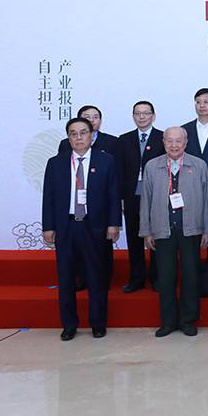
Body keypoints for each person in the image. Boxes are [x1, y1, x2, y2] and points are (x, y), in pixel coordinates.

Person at [42, 117, 120, 340]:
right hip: (66, 226)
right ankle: (69, 324)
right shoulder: (56, 163)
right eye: (73, 134)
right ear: (68, 138)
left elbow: (113, 194)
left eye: (83, 133)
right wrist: (48, 226)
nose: (78, 138)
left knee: (97, 276)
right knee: (66, 278)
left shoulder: (106, 161)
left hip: (94, 226)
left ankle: (98, 323)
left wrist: (113, 223)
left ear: (91, 135)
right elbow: (48, 197)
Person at [139, 126, 208, 337]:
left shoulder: (199, 165)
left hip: (191, 230)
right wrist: (147, 231)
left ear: (186, 142)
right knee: (165, 277)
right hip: (162, 229)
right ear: (163, 142)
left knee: (190, 276)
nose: (174, 145)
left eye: (178, 141)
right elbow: (145, 200)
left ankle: (188, 320)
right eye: (169, 141)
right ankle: (168, 322)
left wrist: (206, 229)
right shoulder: (152, 166)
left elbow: (207, 200)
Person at [58, 105, 118, 291]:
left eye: (95, 117)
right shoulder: (64, 147)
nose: (92, 120)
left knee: (100, 255)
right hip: (71, 215)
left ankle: (101, 283)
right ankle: (81, 280)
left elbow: (113, 188)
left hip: (97, 214)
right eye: (87, 116)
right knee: (73, 256)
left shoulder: (111, 145)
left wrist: (114, 221)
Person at [116, 100, 164, 293]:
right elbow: (119, 171)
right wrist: (120, 197)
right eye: (138, 113)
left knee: (157, 239)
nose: (142, 116)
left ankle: (157, 278)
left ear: (153, 116)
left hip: (157, 196)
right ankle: (136, 279)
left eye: (146, 113)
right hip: (131, 197)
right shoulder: (124, 139)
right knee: (134, 239)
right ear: (133, 116)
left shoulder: (163, 138)